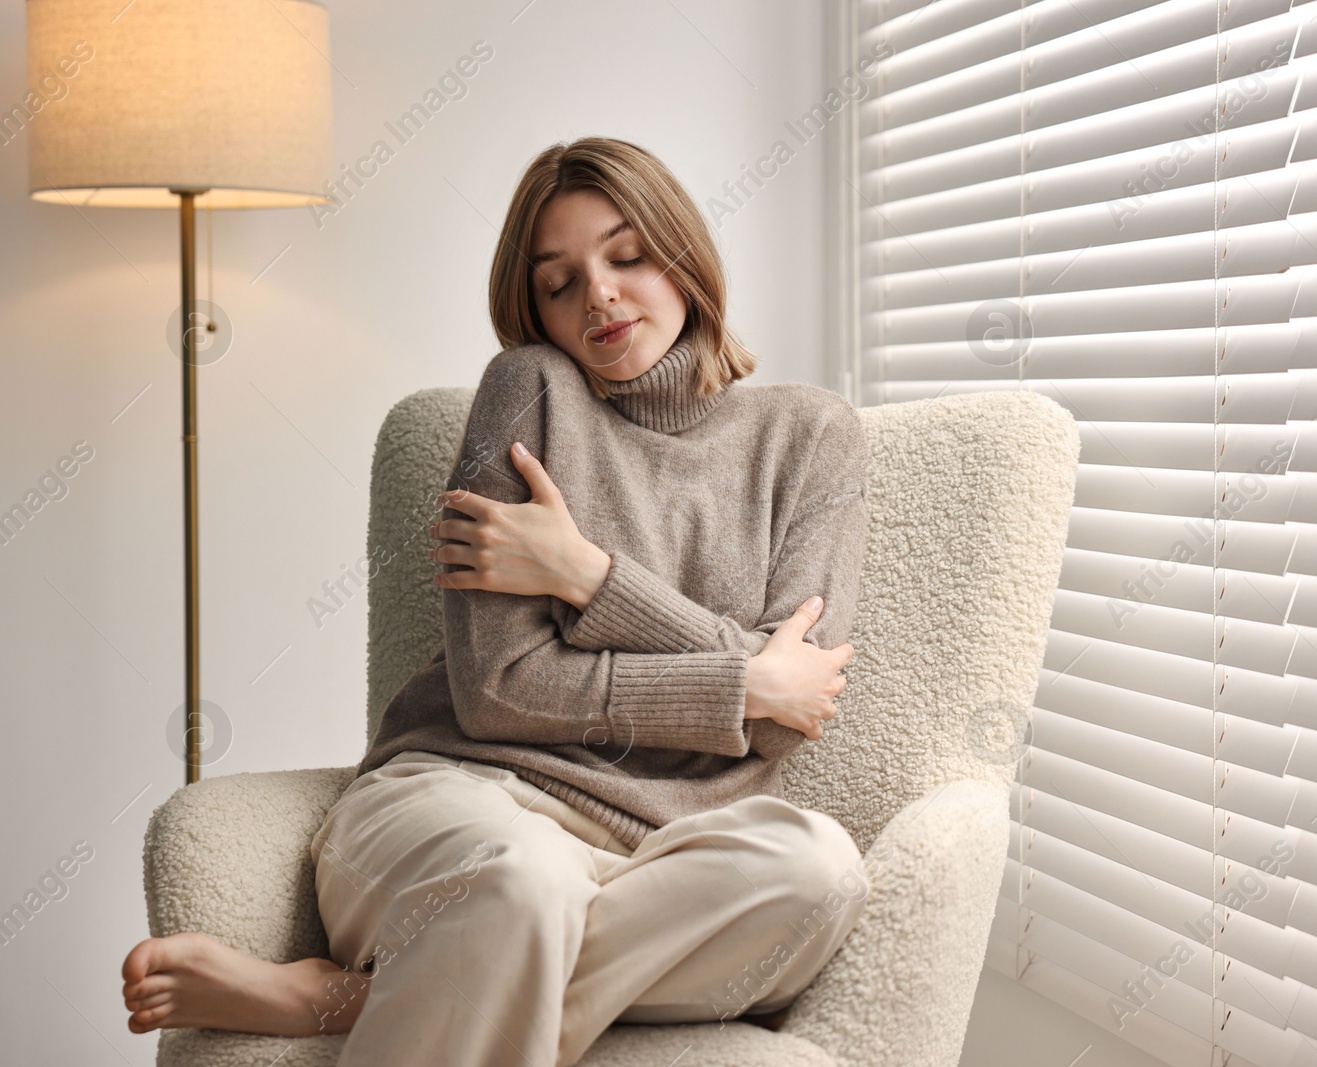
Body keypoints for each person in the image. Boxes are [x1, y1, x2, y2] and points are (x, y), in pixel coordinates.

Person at [119, 136, 874, 1067]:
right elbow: (500, 690)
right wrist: (742, 682)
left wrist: (586, 575)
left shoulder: (811, 436)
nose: (598, 293)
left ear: (683, 252)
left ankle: (350, 999)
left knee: (818, 871)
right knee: (527, 882)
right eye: (559, 283)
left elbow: (787, 716)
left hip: (664, 861)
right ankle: (458, 959)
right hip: (461, 807)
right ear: (535, 310)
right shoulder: (528, 389)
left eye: (627, 255)